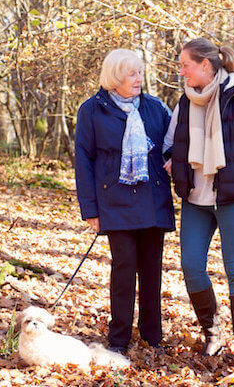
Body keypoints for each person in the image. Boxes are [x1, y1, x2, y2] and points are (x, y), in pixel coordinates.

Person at [163, 38, 234, 367]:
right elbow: (169, 144)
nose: (181, 70)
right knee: (191, 266)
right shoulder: (185, 103)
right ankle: (212, 334)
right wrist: (173, 160)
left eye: (186, 64)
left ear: (206, 66)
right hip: (196, 199)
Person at [75, 49, 175, 354]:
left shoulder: (155, 107)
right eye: (132, 73)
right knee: (123, 269)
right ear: (116, 76)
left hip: (153, 201)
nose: (139, 79)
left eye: (140, 72)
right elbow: (83, 160)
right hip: (114, 203)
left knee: (151, 271)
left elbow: (175, 142)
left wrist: (174, 160)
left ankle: (152, 338)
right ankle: (118, 341)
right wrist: (90, 209)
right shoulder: (91, 110)